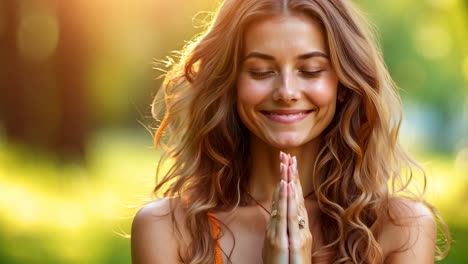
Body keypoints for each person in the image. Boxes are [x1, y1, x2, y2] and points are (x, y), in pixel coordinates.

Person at [131, 0, 451, 263]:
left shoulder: (400, 227)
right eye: (261, 71)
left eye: (311, 70)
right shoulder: (167, 230)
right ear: (230, 84)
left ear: (342, 84)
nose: (286, 91)